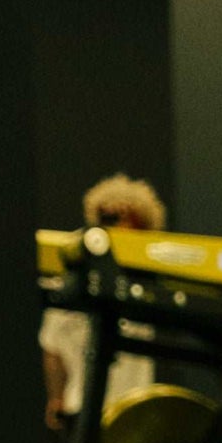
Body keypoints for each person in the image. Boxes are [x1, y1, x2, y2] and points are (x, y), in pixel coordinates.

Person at [40, 174, 167, 427]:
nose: (113, 226)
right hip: (81, 410)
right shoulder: (72, 281)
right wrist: (56, 398)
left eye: (122, 218)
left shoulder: (153, 284)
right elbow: (52, 349)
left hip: (132, 414)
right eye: (105, 218)